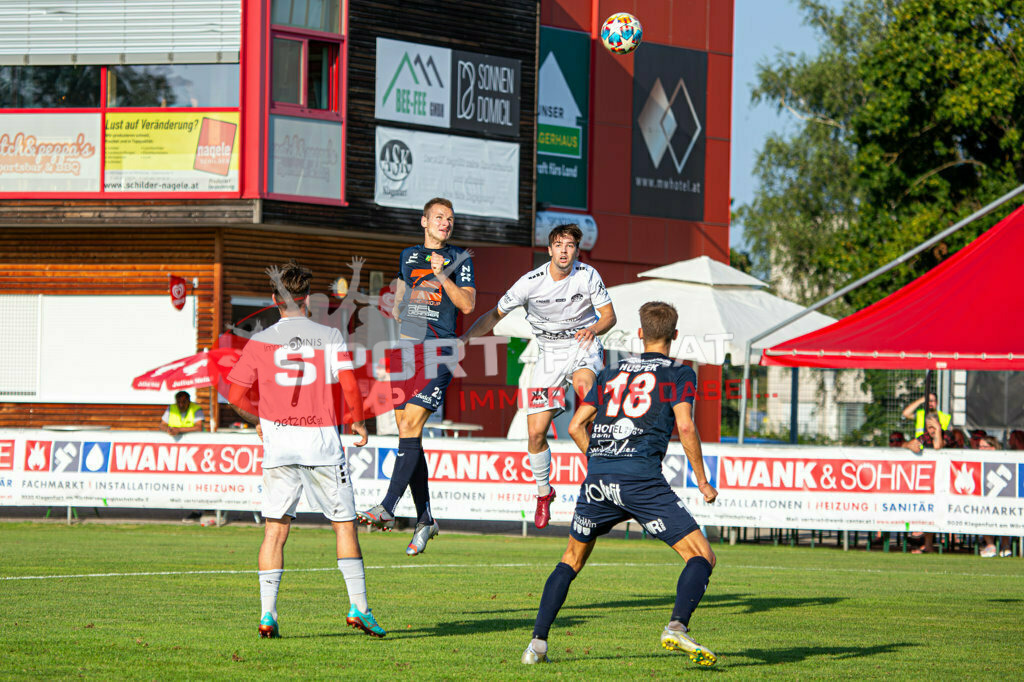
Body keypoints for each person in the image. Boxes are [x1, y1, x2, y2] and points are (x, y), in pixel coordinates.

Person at [521, 301, 719, 666]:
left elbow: (576, 426)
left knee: (570, 560)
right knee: (702, 555)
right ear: (674, 336)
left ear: (640, 334)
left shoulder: (611, 372)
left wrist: (601, 463)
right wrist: (703, 481)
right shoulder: (680, 373)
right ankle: (677, 626)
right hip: (641, 479)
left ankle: (536, 645)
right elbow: (685, 426)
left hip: (599, 480)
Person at [226, 260, 385, 639]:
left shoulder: (260, 341)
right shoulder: (328, 335)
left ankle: (267, 615)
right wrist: (358, 422)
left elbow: (234, 396)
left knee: (274, 531)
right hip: (321, 447)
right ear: (308, 299)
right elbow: (349, 385)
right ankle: (359, 608)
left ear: (274, 299)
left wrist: (260, 422)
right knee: (343, 526)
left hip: (279, 448)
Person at [462, 224, 616, 528]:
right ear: (549, 250)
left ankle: (605, 473)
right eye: (558, 245)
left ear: (576, 251)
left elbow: (609, 316)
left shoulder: (588, 275)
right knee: (535, 433)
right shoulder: (529, 283)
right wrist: (465, 338)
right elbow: (493, 316)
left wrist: (593, 329)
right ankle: (545, 493)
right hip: (548, 356)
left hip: (583, 347)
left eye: (569, 246)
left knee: (585, 391)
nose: (564, 251)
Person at [357, 197, 475, 556]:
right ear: (424, 221)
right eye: (439, 217)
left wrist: (441, 275)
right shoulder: (408, 255)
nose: (445, 223)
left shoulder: (460, 258)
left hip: (440, 349)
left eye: (450, 219)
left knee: (410, 425)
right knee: (408, 432)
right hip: (406, 350)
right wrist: (400, 304)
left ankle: (387, 506)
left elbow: (467, 304)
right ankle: (425, 519)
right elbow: (400, 300)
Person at [902, 412, 954, 553]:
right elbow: (905, 445)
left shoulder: (948, 434)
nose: (931, 430)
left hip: (948, 482)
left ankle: (929, 544)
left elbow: (938, 446)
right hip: (930, 481)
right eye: (929, 427)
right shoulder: (925, 437)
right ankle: (927, 545)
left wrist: (938, 431)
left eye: (933, 426)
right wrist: (909, 445)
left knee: (936, 510)